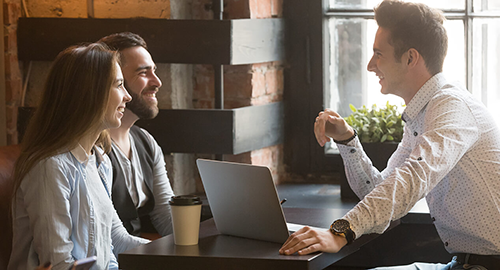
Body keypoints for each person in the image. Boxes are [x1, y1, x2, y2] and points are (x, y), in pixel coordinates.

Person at [279, 0, 500, 269]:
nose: (371, 65)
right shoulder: (422, 114)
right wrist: (347, 140)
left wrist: (340, 231)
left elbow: (413, 179)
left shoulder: (451, 107)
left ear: (410, 58)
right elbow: (378, 191)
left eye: (378, 54)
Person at [8, 43, 150, 270]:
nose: (127, 97)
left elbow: (118, 240)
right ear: (90, 93)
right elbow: (58, 264)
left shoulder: (100, 160)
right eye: (119, 85)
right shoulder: (50, 168)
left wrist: (179, 256)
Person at [98, 32, 175, 237]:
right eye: (143, 73)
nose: (157, 82)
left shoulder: (146, 142)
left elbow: (165, 215)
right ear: (114, 81)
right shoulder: (91, 147)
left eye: (154, 71)